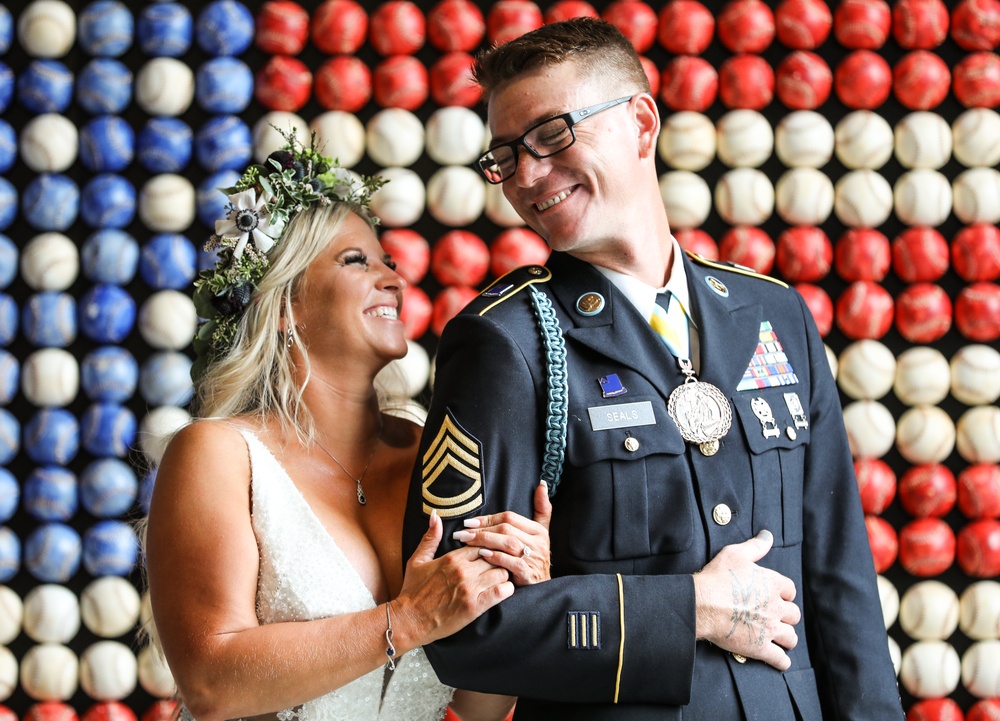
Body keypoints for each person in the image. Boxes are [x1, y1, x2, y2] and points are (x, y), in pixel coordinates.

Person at [402, 18, 904, 721]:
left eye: (551, 136)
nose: (528, 176)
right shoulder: (506, 342)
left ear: (641, 124)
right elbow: (457, 629)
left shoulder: (772, 314)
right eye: (506, 157)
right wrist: (689, 609)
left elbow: (841, 585)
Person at [143, 138, 553, 721]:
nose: (393, 277)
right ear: (285, 306)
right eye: (356, 261)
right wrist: (409, 619)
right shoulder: (219, 453)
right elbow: (211, 682)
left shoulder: (435, 455)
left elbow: (481, 707)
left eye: (388, 260)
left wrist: (520, 591)